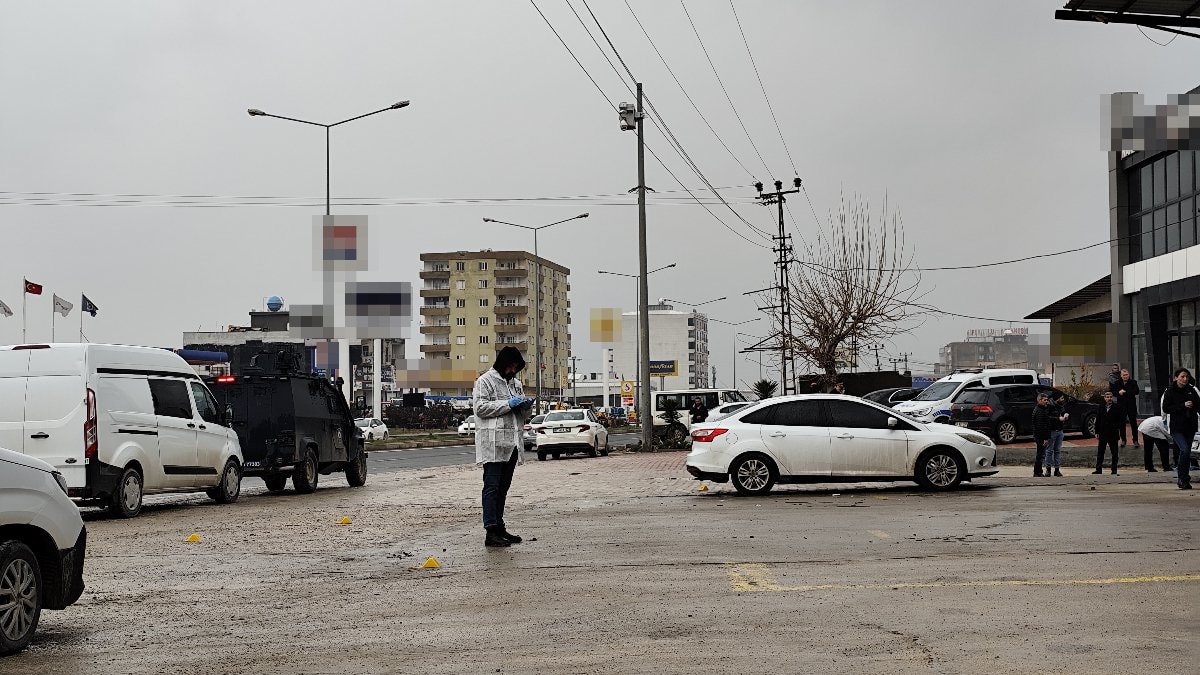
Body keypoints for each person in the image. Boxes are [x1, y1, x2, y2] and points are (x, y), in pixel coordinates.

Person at [473, 346, 534, 547]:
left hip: (512, 444)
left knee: (503, 488)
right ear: (502, 363)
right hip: (493, 444)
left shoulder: (516, 384)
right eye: (510, 366)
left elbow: (521, 415)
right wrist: (509, 403)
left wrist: (525, 407)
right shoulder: (485, 381)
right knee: (491, 488)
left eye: (516, 367)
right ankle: (490, 530)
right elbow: (480, 408)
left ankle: (499, 526)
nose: (512, 370)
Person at [1161, 367, 1200, 490]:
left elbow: (1198, 405)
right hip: (1177, 427)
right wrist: (1182, 405)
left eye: (1187, 377)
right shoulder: (1170, 391)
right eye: (1182, 376)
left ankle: (1184, 478)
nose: (1185, 379)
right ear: (1176, 377)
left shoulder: (1191, 390)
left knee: (1187, 452)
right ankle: (1181, 477)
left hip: (1190, 425)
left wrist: (1193, 407)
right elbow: (1166, 408)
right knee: (1184, 450)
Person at [1094, 391, 1124, 475]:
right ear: (1104, 398)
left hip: (1113, 433)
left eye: (1110, 397)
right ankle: (1098, 469)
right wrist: (1096, 431)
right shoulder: (1101, 407)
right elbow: (1098, 420)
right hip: (1103, 433)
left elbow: (1121, 421)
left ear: (1112, 398)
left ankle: (1114, 470)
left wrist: (1116, 427)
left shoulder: (1117, 407)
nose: (1109, 399)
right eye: (1107, 397)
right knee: (1100, 452)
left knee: (1114, 453)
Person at [1110, 369, 1140, 448]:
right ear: (1121, 375)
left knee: (1133, 423)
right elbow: (1113, 392)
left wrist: (1125, 392)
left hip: (1131, 406)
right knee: (1121, 424)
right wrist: (1119, 393)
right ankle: (1123, 440)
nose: (1125, 376)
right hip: (1121, 406)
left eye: (1126, 375)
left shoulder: (1133, 382)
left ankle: (1135, 440)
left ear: (1128, 374)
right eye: (1124, 375)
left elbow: (1136, 391)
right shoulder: (1117, 383)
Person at [1044, 392, 1068, 477]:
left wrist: (1065, 414)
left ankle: (1057, 469)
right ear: (1057, 399)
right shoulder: (1050, 406)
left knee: (1057, 450)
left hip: (1060, 430)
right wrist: (1058, 419)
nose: (1063, 399)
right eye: (1061, 398)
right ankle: (1048, 469)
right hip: (1052, 430)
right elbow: (1047, 417)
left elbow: (1064, 411)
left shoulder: (1061, 406)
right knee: (1049, 450)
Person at [1031, 392, 1051, 477]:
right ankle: (1037, 472)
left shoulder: (1042, 409)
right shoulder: (1039, 411)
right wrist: (1045, 438)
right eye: (1044, 400)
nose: (1046, 401)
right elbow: (1041, 426)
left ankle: (1038, 471)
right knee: (1040, 454)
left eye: (1047, 400)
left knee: (1040, 454)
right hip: (1040, 437)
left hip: (1039, 436)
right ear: (1039, 400)